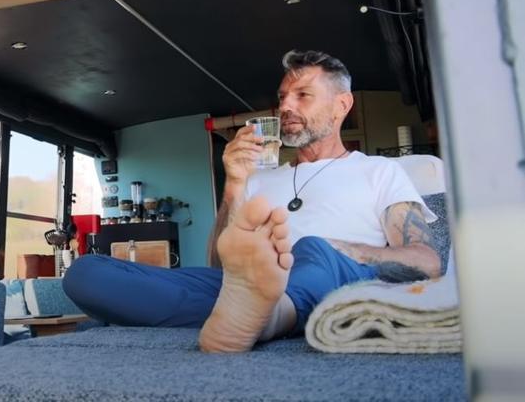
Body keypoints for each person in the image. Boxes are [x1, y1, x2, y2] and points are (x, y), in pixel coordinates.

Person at [63, 50, 441, 352]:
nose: (286, 106)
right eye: (282, 97)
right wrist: (234, 184)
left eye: (303, 95)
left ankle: (268, 314)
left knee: (311, 249)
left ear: (342, 105)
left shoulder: (380, 171)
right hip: (242, 284)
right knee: (86, 273)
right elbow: (219, 265)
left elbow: (427, 261)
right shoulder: (259, 179)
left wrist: (338, 249)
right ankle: (257, 314)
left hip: (332, 273)